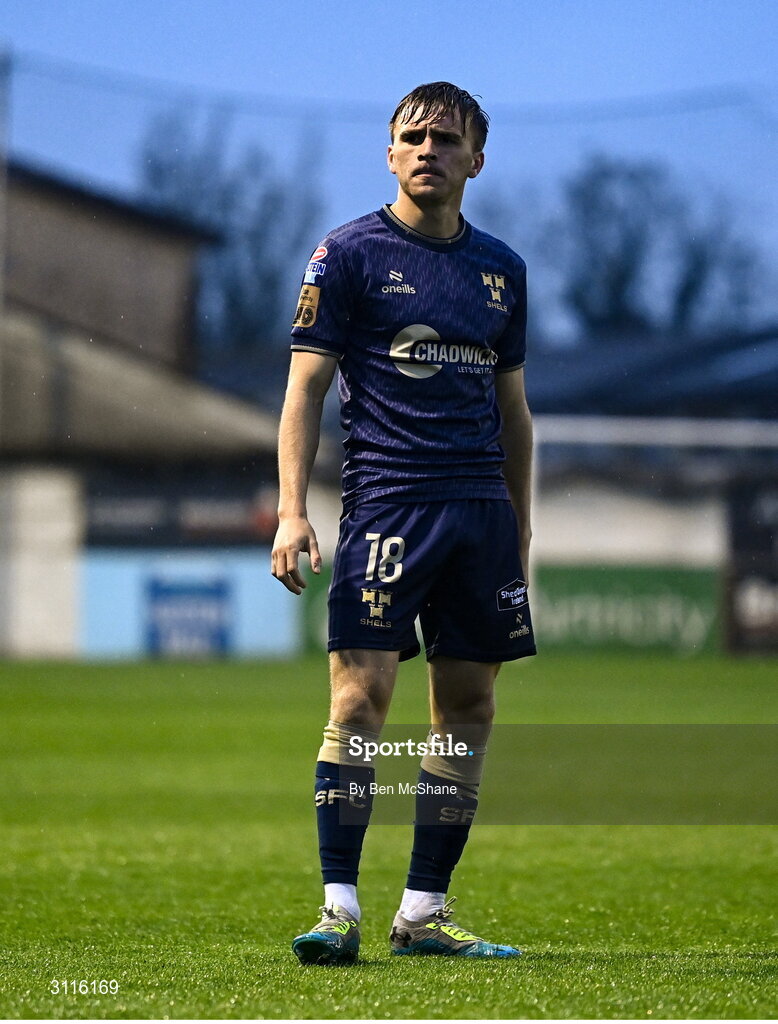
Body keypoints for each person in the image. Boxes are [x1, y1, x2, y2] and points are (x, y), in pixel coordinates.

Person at [271, 81, 536, 965]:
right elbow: (304, 388)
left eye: (447, 139)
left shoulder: (502, 270)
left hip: (481, 518)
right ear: (389, 154)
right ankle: (338, 910)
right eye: (412, 137)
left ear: (477, 159)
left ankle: (423, 914)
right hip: (387, 504)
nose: (429, 150)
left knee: (467, 709)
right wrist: (291, 510)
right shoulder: (345, 254)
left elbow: (516, 414)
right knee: (360, 701)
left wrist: (521, 528)